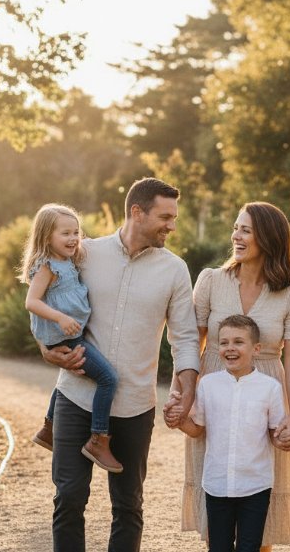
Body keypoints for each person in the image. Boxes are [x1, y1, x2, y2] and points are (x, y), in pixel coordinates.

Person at [40, 177, 201, 552]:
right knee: (68, 499)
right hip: (76, 397)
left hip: (134, 406)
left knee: (128, 507)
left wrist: (187, 389)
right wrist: (45, 350)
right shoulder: (84, 253)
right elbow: (47, 303)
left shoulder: (175, 270)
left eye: (174, 218)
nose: (172, 226)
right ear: (136, 212)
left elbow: (186, 338)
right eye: (165, 216)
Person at [169, 201, 290, 550]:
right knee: (215, 483)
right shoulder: (212, 281)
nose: (236, 235)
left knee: (261, 502)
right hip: (213, 386)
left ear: (268, 237)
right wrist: (181, 395)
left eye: (245, 229)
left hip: (266, 393)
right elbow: (192, 342)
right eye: (236, 228)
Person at [166, 315, 285, 552]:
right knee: (218, 547)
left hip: (256, 486)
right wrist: (178, 421)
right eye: (223, 342)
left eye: (238, 342)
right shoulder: (208, 384)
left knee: (249, 547)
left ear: (256, 348)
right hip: (217, 484)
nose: (230, 348)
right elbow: (197, 428)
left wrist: (288, 437)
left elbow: (276, 434)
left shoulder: (270, 387)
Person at [20, 204, 122, 473]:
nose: (73, 238)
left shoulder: (68, 261)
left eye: (76, 232)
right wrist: (60, 318)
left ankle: (49, 428)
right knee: (108, 378)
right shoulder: (48, 266)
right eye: (65, 233)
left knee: (69, 374)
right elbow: (31, 302)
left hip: (70, 334)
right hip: (62, 334)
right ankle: (98, 438)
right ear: (46, 237)